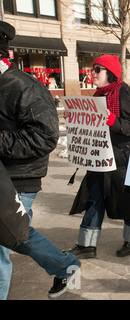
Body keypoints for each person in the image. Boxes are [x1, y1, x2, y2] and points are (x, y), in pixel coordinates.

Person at [0, 21, 80, 299]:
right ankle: (65, 264)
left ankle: (66, 264)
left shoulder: (25, 87)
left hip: (19, 179)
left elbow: (44, 138)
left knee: (7, 238)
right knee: (15, 235)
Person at [66, 54, 130, 259]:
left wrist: (114, 121)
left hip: (122, 160)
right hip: (100, 157)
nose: (92, 74)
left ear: (110, 73)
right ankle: (86, 244)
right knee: (94, 199)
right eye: (93, 69)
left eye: (97, 70)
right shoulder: (98, 95)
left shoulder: (124, 94)